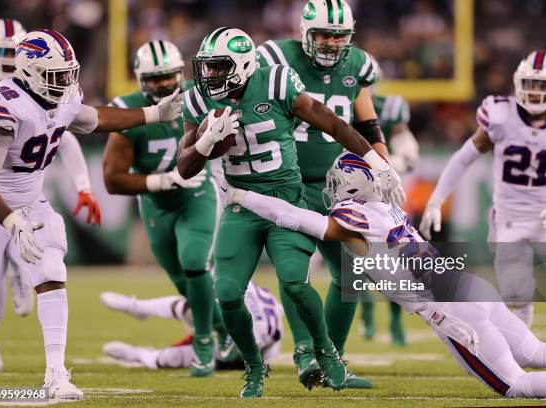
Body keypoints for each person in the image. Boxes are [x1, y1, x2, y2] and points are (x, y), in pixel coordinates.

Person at [225, 151, 546, 399]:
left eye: (338, 182)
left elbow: (293, 218)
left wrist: (243, 196)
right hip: (467, 283)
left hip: (449, 307)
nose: (332, 190)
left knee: (516, 385)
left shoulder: (357, 218)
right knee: (537, 351)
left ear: (352, 185)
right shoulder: (389, 209)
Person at [177, 27, 405, 397]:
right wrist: (204, 142)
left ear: (243, 65)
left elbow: (330, 121)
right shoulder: (198, 98)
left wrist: (375, 161)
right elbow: (184, 167)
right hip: (241, 205)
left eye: (219, 68)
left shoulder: (277, 82)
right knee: (228, 292)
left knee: (297, 283)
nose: (210, 76)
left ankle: (328, 354)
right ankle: (254, 367)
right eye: (207, 67)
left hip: (286, 199)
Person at [0, 29, 181, 399]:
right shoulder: (6, 103)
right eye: (56, 75)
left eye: (68, 73)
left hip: (32, 204)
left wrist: (154, 112)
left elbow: (95, 118)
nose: (66, 82)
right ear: (29, 71)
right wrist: (10, 221)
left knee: (53, 271)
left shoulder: (62, 96)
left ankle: (55, 374)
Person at [256, 0, 391, 387]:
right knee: (295, 272)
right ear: (304, 32)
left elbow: (365, 117)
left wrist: (381, 159)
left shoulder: (358, 65)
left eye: (339, 36)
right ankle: (303, 351)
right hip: (287, 182)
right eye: (324, 35)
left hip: (336, 186)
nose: (332, 43)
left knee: (354, 271)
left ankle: (334, 356)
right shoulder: (274, 57)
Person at [419, 51, 546, 339]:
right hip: (508, 220)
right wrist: (437, 198)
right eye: (530, 83)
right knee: (517, 297)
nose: (535, 92)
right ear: (517, 82)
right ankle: (520, 366)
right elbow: (464, 157)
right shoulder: (501, 116)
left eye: (543, 85)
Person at [0, 19, 101, 373]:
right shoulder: (3, 99)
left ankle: (20, 264)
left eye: (9, 49)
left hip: (20, 190)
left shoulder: (43, 91)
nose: (3, 58)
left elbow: (69, 131)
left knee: (46, 258)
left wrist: (83, 185)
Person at [103, 39, 225, 377]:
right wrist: (161, 181)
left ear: (179, 73)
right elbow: (112, 180)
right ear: (141, 79)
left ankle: (203, 341)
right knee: (184, 283)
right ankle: (226, 332)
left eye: (169, 76)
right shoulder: (129, 111)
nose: (163, 84)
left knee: (194, 262)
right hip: (157, 205)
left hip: (196, 195)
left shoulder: (200, 96)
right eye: (154, 78)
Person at [359, 56, 420, 345]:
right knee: (356, 260)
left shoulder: (389, 107)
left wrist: (393, 162)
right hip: (350, 193)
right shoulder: (335, 103)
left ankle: (396, 321)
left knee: (394, 260)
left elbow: (406, 148)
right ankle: (367, 312)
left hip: (382, 194)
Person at [102, 281, 283, 370]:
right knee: (191, 308)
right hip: (244, 320)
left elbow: (247, 352)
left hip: (250, 349)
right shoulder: (237, 284)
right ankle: (137, 307)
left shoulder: (255, 332)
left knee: (176, 357)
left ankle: (141, 355)